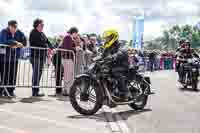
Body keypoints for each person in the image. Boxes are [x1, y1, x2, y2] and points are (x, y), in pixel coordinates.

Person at [0, 20, 26, 97]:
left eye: (16, 26)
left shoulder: (19, 32)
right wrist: (16, 43)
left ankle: (11, 91)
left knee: (13, 75)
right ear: (9, 26)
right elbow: (4, 42)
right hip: (4, 59)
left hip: (14, 58)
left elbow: (24, 41)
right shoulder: (4, 31)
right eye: (13, 27)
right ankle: (3, 90)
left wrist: (20, 43)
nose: (15, 28)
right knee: (5, 75)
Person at [101, 29, 129, 100]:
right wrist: (95, 58)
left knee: (115, 72)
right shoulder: (107, 46)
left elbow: (122, 52)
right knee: (101, 73)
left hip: (122, 65)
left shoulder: (120, 44)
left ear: (113, 37)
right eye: (106, 38)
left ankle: (124, 93)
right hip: (112, 65)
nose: (106, 39)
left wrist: (114, 56)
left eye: (108, 37)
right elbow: (102, 55)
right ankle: (106, 93)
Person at [29, 18, 54, 97]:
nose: (43, 26)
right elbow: (36, 43)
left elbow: (47, 41)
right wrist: (47, 47)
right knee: (36, 74)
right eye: (41, 25)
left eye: (43, 25)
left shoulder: (42, 33)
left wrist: (52, 48)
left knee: (39, 74)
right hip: (35, 56)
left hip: (41, 57)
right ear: (37, 25)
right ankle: (34, 91)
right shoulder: (33, 32)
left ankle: (36, 90)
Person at [61, 27, 78, 95]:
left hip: (67, 58)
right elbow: (68, 48)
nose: (76, 35)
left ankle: (66, 90)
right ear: (74, 32)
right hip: (67, 58)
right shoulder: (68, 37)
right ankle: (67, 90)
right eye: (76, 33)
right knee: (68, 75)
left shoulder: (68, 37)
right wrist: (75, 48)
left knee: (68, 75)